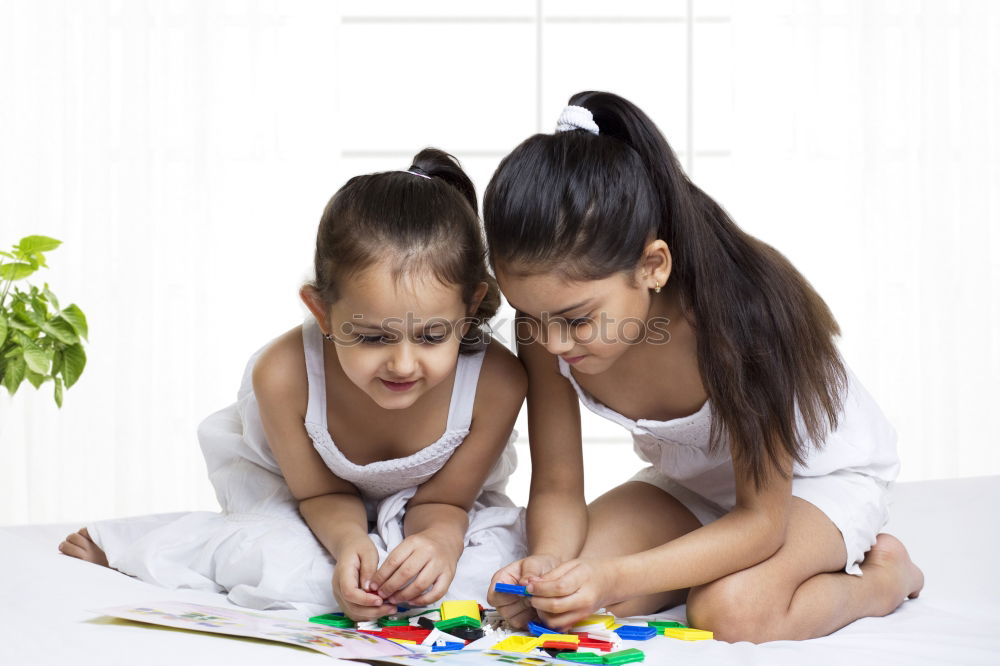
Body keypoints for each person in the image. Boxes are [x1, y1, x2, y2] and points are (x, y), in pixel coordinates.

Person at [483, 91, 923, 643]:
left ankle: (885, 578)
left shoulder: (736, 321)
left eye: (575, 319)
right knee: (561, 600)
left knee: (730, 611)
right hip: (693, 487)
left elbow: (760, 523)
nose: (549, 342)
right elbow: (556, 484)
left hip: (811, 485)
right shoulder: (546, 326)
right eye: (528, 315)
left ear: (652, 266)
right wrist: (546, 565)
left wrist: (615, 575)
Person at [59, 149, 527, 619]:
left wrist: (437, 545)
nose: (403, 365)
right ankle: (134, 550)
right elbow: (320, 495)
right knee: (282, 558)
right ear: (321, 311)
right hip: (308, 505)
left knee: (486, 570)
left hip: (440, 509)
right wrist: (350, 546)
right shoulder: (284, 375)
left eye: (431, 336)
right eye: (370, 337)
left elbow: (446, 501)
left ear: (470, 308)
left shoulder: (497, 383)